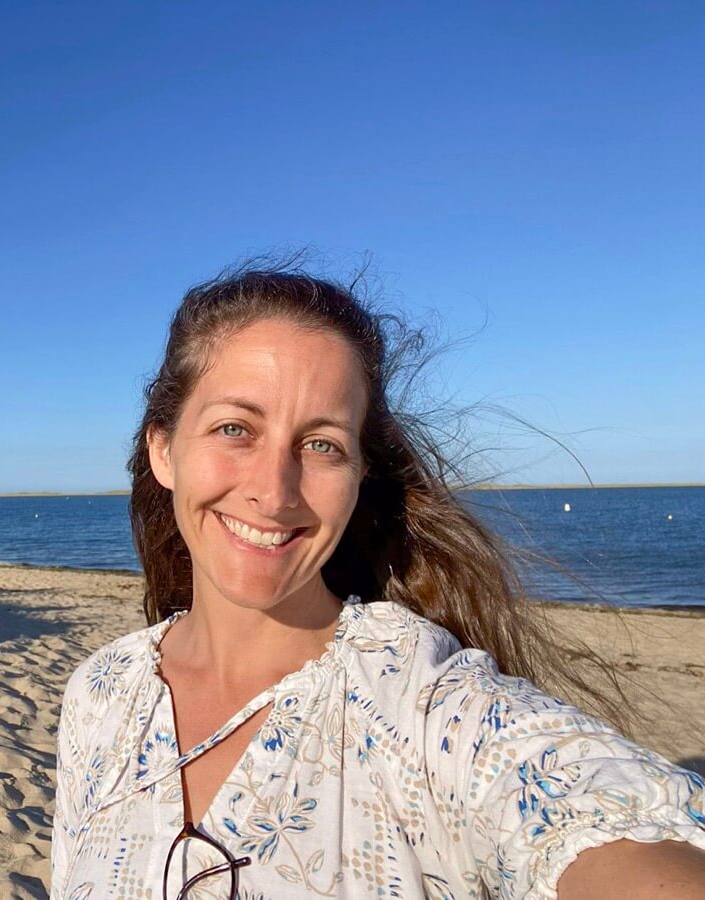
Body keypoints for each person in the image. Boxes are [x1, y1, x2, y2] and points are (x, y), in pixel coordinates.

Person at [50, 261, 705, 899]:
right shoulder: (100, 695)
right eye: (234, 429)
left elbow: (570, 802)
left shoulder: (425, 706)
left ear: (360, 474)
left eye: (322, 445)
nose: (274, 494)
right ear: (165, 451)